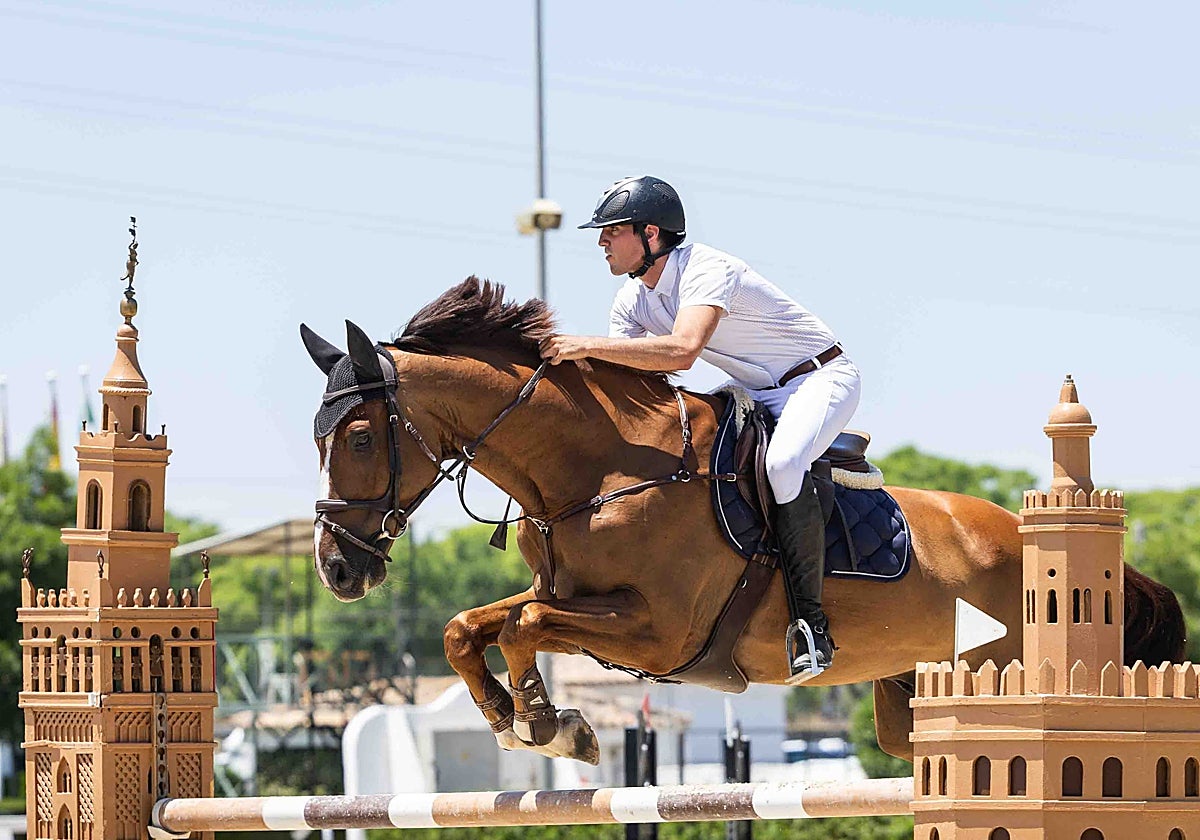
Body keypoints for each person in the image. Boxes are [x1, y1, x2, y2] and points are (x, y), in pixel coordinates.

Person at [538, 175, 862, 683]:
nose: (601, 241)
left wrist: (584, 345)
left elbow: (684, 351)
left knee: (781, 465)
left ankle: (811, 626)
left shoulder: (706, 268)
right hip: (752, 388)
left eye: (611, 231)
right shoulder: (631, 301)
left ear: (650, 234)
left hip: (817, 377)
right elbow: (628, 382)